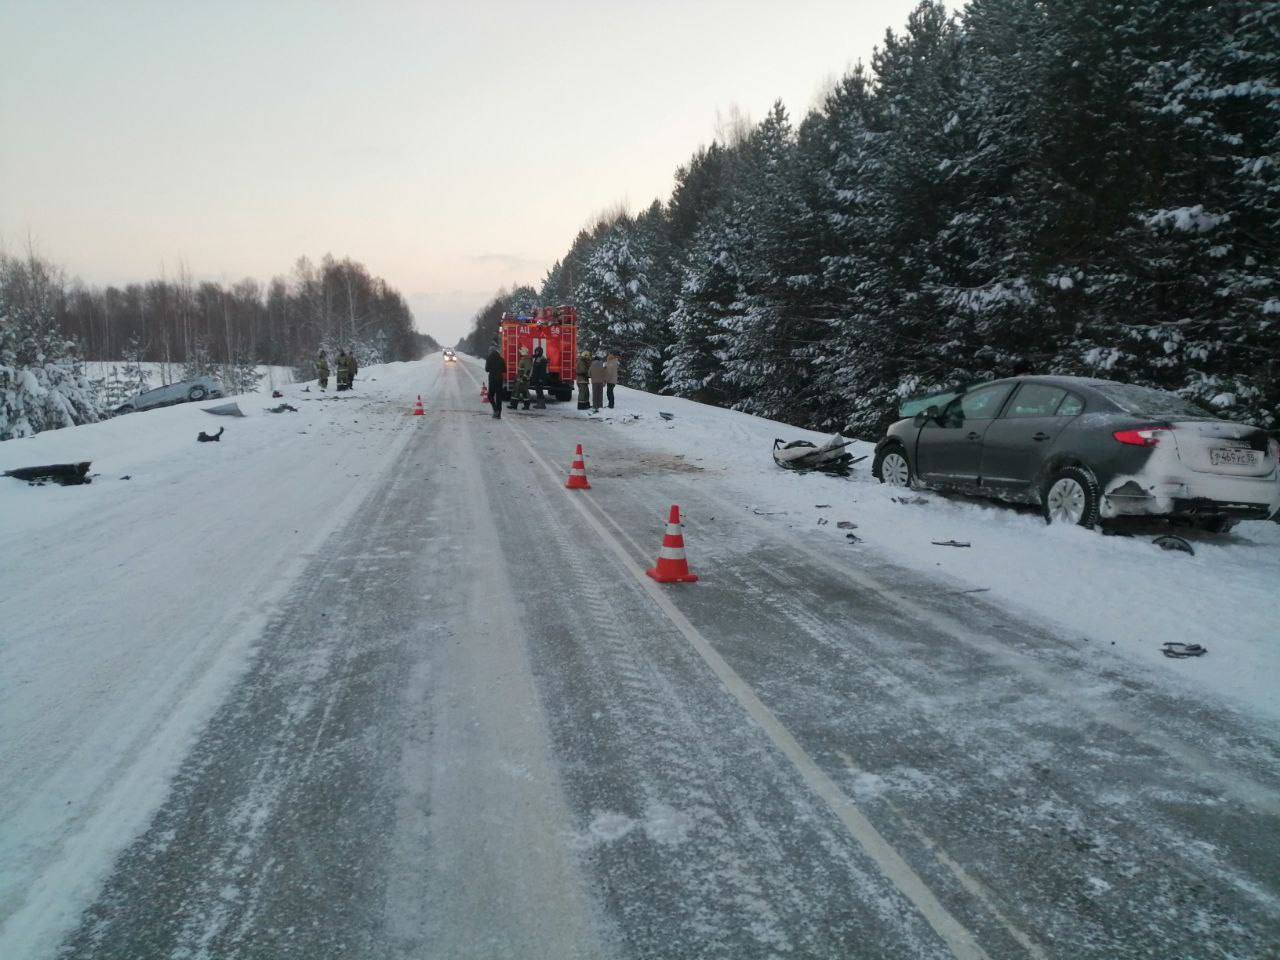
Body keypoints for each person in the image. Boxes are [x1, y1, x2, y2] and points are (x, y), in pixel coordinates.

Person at [484, 341, 506, 418]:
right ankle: (499, 414)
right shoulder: (501, 359)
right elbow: (504, 370)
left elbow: (487, 369)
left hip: (492, 379)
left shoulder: (489, 359)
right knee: (499, 397)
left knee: (490, 396)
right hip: (499, 379)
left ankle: (495, 409)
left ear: (491, 351)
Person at [509, 346, 532, 410]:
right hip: (520, 378)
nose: (520, 352)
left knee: (525, 392)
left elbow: (528, 370)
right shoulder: (523, 358)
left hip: (523, 379)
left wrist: (524, 378)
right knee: (516, 391)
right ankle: (514, 405)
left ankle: (526, 405)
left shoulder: (527, 359)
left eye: (521, 351)